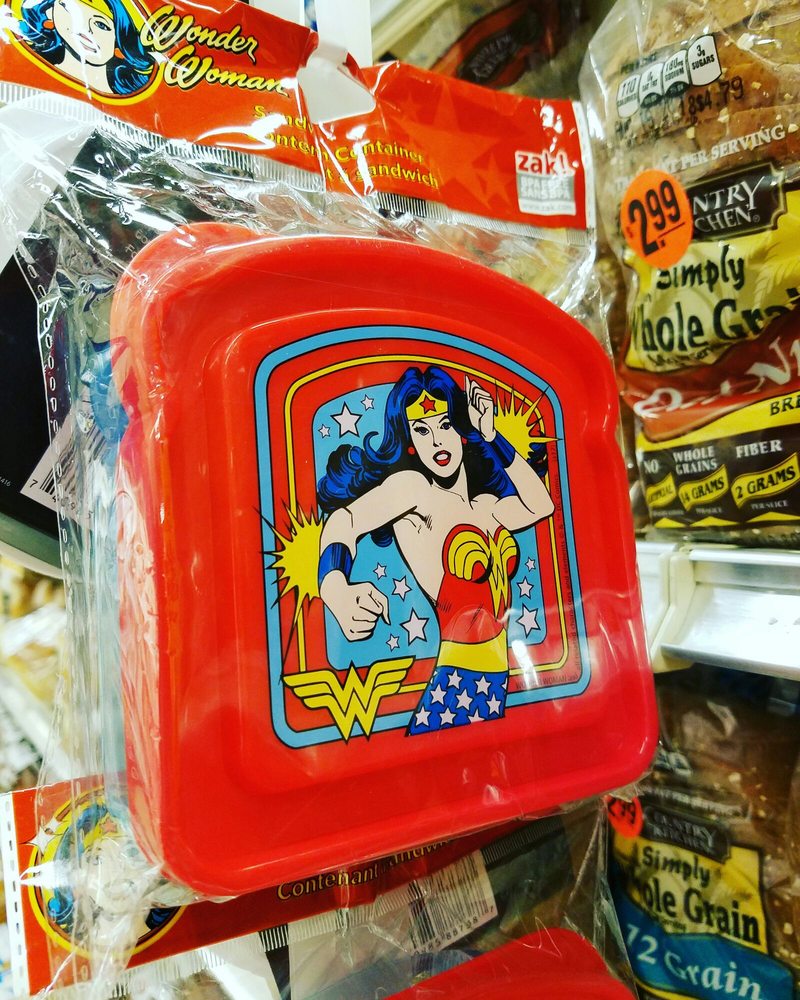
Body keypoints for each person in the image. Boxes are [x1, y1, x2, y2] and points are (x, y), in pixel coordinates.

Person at [317, 365, 554, 734]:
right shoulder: (414, 491)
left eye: (445, 424)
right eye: (422, 430)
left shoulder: (486, 506)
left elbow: (542, 506)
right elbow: (344, 520)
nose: (437, 442)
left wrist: (492, 436)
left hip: (496, 683)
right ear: (410, 439)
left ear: (461, 429)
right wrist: (334, 588)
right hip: (456, 682)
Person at [19, 0, 154, 96]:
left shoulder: (132, 98)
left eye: (101, 25)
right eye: (71, 9)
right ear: (50, 12)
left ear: (120, 42)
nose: (85, 29)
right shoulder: (25, 73)